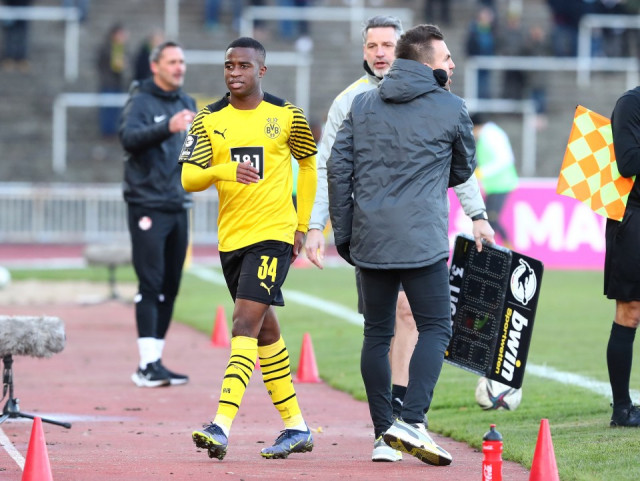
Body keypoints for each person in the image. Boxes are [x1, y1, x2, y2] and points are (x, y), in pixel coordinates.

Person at [304, 15, 494, 462]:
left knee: (377, 332)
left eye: (386, 44)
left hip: (369, 237)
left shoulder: (361, 105)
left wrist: (345, 234)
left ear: (399, 52)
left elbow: (336, 170)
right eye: (446, 57)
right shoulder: (450, 106)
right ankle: (411, 421)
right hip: (421, 238)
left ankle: (384, 431)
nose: (452, 64)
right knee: (437, 326)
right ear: (427, 63)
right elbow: (462, 168)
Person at [181, 37, 317, 460]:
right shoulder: (208, 119)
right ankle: (297, 427)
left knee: (243, 323)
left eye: (243, 65)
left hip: (273, 236)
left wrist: (302, 224)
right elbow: (188, 178)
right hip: (232, 240)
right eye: (229, 65)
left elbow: (309, 164)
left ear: (261, 70)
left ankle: (220, 425)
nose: (235, 72)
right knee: (265, 331)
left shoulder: (287, 115)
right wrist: (223, 169)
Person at [119, 40, 197, 388]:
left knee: (171, 284)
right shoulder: (140, 100)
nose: (179, 67)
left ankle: (156, 361)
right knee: (150, 282)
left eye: (182, 61)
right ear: (155, 66)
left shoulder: (187, 103)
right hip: (147, 203)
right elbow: (128, 139)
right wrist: (168, 126)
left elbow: (193, 151)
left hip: (177, 203)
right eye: (172, 61)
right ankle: (145, 365)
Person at [604, 85, 640, 427]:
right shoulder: (631, 103)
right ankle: (622, 409)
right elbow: (628, 163)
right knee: (630, 312)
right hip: (633, 219)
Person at [470, 113, 518, 248]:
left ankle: (508, 248)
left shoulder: (491, 136)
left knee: (490, 218)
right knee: (488, 219)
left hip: (501, 184)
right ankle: (502, 247)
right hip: (494, 185)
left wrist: (482, 172)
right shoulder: (488, 134)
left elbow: (505, 159)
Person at [97, 23, 129, 138]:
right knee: (108, 109)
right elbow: (116, 66)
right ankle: (108, 132)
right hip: (109, 83)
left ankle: (113, 130)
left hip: (116, 83)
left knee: (116, 110)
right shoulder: (109, 48)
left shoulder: (117, 48)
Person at [1, 0, 33, 72]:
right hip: (10, 4)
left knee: (22, 32)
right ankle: (8, 58)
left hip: (24, 5)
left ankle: (22, 58)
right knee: (10, 32)